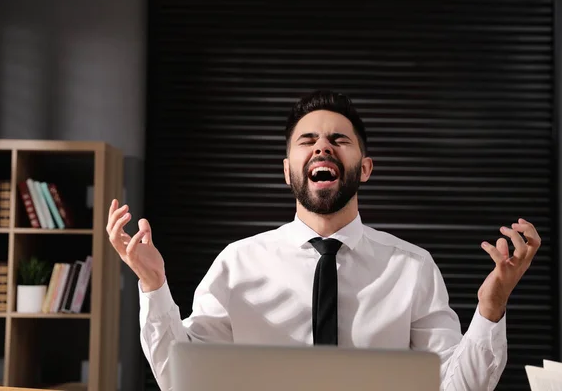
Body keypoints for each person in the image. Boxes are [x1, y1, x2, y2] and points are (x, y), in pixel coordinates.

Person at [107, 90, 541, 391]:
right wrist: (153, 284)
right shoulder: (237, 264)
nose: (322, 148)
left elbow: (457, 386)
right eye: (307, 140)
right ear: (287, 169)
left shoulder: (412, 268)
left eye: (338, 140)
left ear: (365, 168)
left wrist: (491, 306)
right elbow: (180, 380)